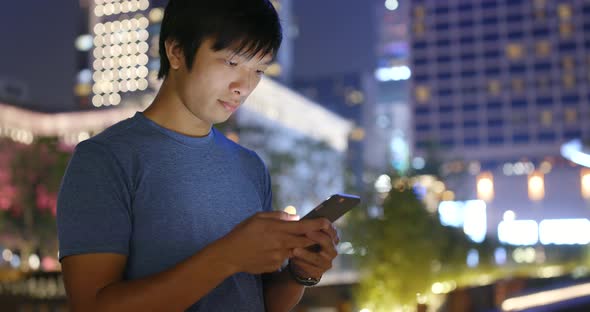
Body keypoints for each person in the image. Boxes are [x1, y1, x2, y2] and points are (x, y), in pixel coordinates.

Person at [56, 0, 340, 311]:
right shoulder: (105, 160)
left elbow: (257, 301)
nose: (243, 87)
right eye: (231, 63)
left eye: (258, 69)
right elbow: (92, 305)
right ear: (176, 51)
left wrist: (300, 274)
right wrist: (227, 257)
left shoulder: (250, 167)